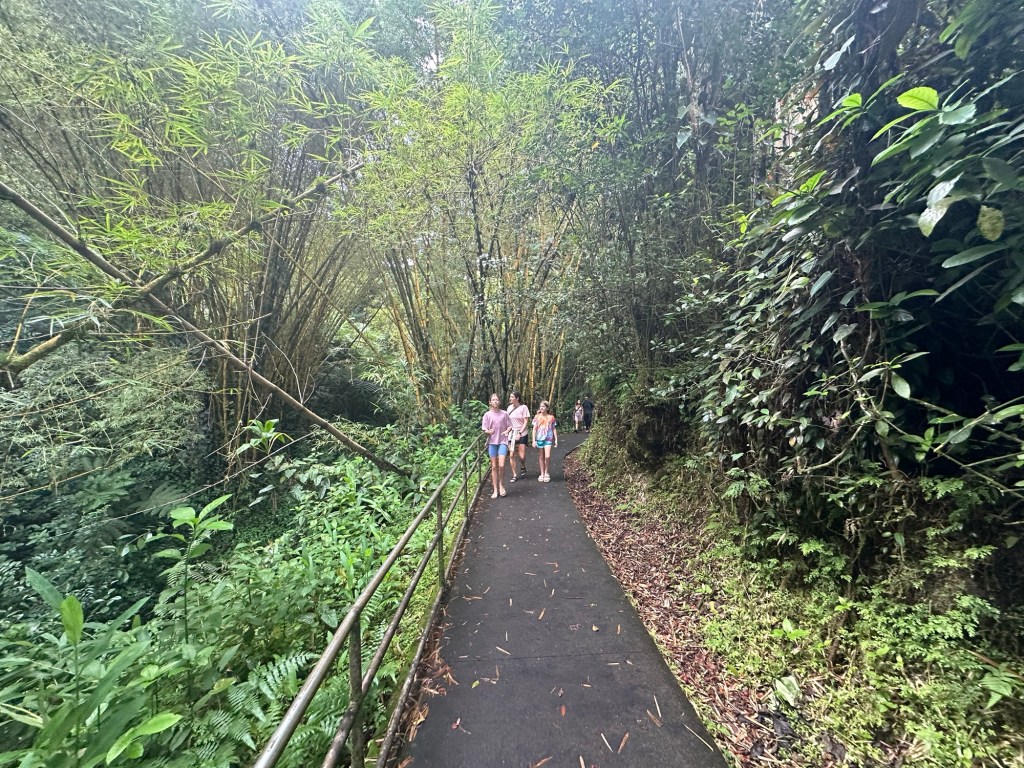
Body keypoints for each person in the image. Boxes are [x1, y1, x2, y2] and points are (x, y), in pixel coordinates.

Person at [481, 393, 511, 498]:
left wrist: (507, 431)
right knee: (494, 466)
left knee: (501, 465)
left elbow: (510, 426)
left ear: (499, 401)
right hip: (492, 442)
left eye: (497, 400)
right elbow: (484, 429)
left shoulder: (504, 414)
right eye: (493, 400)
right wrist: (488, 431)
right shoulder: (487, 415)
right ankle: (495, 489)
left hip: (502, 441)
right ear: (490, 402)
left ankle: (501, 485)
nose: (495, 401)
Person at [506, 391, 531, 482]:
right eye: (510, 397)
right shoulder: (509, 408)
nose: (510, 398)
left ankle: (523, 465)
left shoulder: (523, 408)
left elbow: (525, 421)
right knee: (511, 454)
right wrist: (507, 431)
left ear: (517, 398)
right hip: (511, 433)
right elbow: (508, 421)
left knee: (522, 456)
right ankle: (514, 475)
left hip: (522, 432)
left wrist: (520, 433)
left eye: (512, 397)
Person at [532, 400, 558, 483]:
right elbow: (534, 429)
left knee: (547, 456)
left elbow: (554, 428)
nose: (541, 408)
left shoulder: (551, 417)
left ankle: (546, 472)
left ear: (547, 408)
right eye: (540, 406)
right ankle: (542, 473)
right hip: (540, 438)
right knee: (541, 456)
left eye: (543, 406)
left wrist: (556, 439)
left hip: (548, 438)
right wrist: (533, 440)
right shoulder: (537, 417)